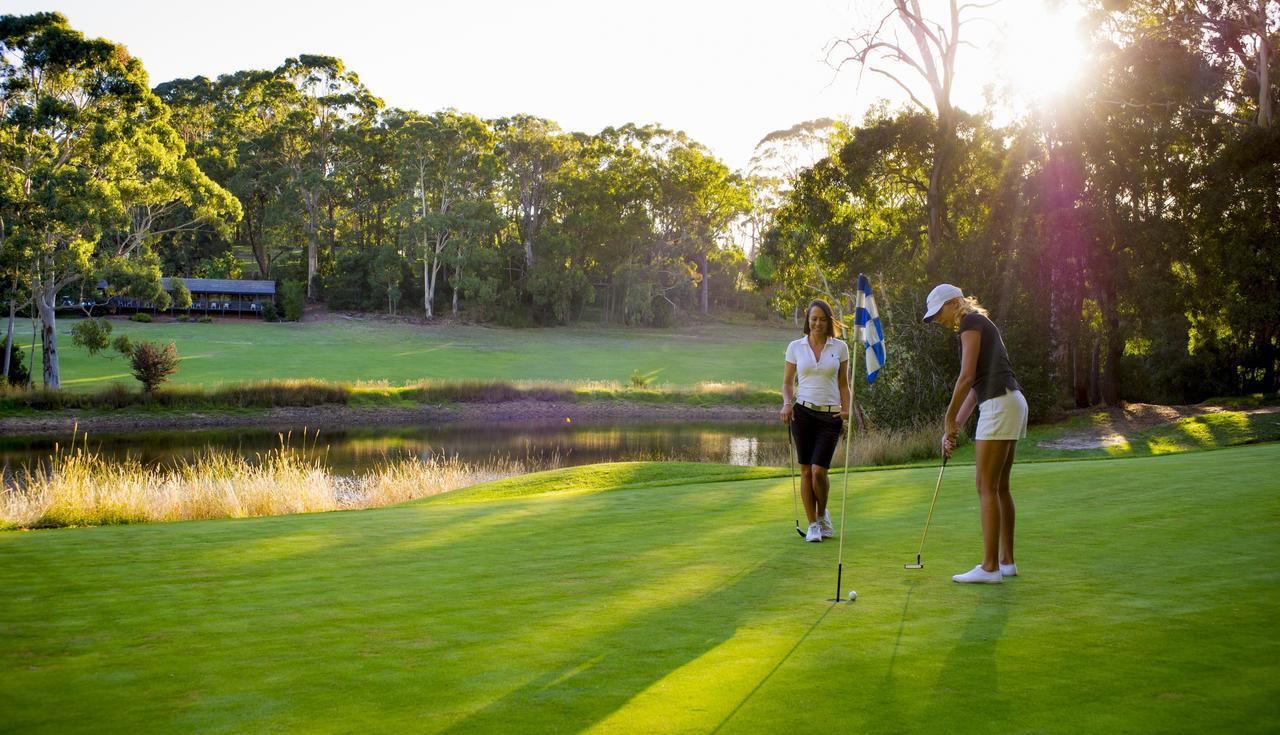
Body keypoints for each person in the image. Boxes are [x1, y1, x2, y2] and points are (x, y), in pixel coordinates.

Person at [923, 284, 1028, 584]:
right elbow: (976, 385)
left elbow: (967, 376)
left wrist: (946, 418)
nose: (938, 320)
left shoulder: (969, 322)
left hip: (999, 403)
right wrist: (954, 425)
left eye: (939, 312)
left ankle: (990, 567)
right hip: (1010, 400)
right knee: (1000, 487)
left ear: (954, 303)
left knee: (985, 486)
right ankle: (1006, 562)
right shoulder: (981, 323)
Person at [780, 299, 850, 543]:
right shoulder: (795, 347)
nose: (817, 323)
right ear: (807, 321)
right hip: (803, 413)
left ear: (828, 321)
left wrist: (847, 409)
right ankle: (812, 526)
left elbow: (844, 384)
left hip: (830, 416)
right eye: (813, 318)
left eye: (822, 318)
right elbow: (788, 382)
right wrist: (787, 404)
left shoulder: (839, 347)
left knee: (820, 471)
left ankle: (821, 515)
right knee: (807, 471)